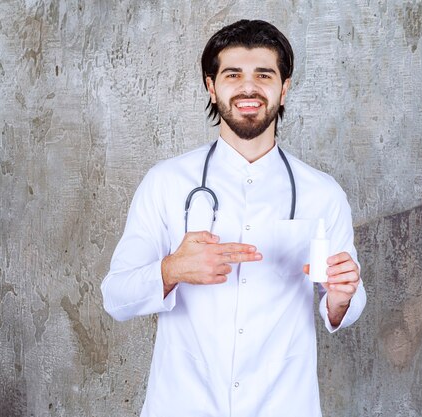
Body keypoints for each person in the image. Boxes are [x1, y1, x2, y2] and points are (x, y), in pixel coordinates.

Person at [101, 19, 367, 417]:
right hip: (184, 404)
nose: (249, 88)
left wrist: (342, 298)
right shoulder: (166, 183)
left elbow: (344, 301)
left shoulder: (322, 193)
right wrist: (171, 269)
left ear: (284, 86)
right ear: (212, 86)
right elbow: (115, 297)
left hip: (283, 405)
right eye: (232, 74)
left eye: (264, 74)